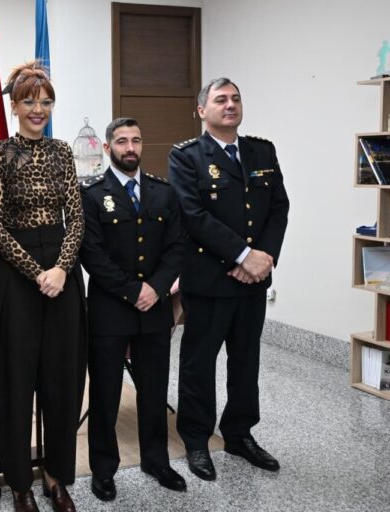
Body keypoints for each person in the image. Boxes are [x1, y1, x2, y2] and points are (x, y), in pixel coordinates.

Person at [168, 78, 289, 481]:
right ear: (202, 110)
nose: (230, 104)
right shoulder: (186, 156)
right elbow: (193, 215)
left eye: (235, 98)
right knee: (199, 364)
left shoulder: (261, 151)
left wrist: (264, 258)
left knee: (246, 361)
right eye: (220, 99)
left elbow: (278, 208)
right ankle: (196, 439)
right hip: (208, 280)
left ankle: (239, 434)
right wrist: (242, 255)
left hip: (252, 282)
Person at [0, 60, 87, 512]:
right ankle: (19, 483)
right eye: (29, 101)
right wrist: (36, 272)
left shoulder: (63, 151)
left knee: (62, 379)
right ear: (14, 106)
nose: (38, 109)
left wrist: (61, 268)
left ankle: (56, 476)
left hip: (63, 272)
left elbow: (76, 217)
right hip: (16, 275)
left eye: (45, 102)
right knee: (15, 380)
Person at [80, 118, 186, 500]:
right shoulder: (92, 194)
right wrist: (133, 290)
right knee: (106, 394)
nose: (130, 147)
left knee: (154, 391)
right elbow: (92, 254)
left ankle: (156, 461)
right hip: (110, 310)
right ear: (108, 148)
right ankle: (103, 469)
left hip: (154, 309)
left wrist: (156, 288)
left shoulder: (163, 191)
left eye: (136, 140)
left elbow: (177, 246)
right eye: (122, 141)